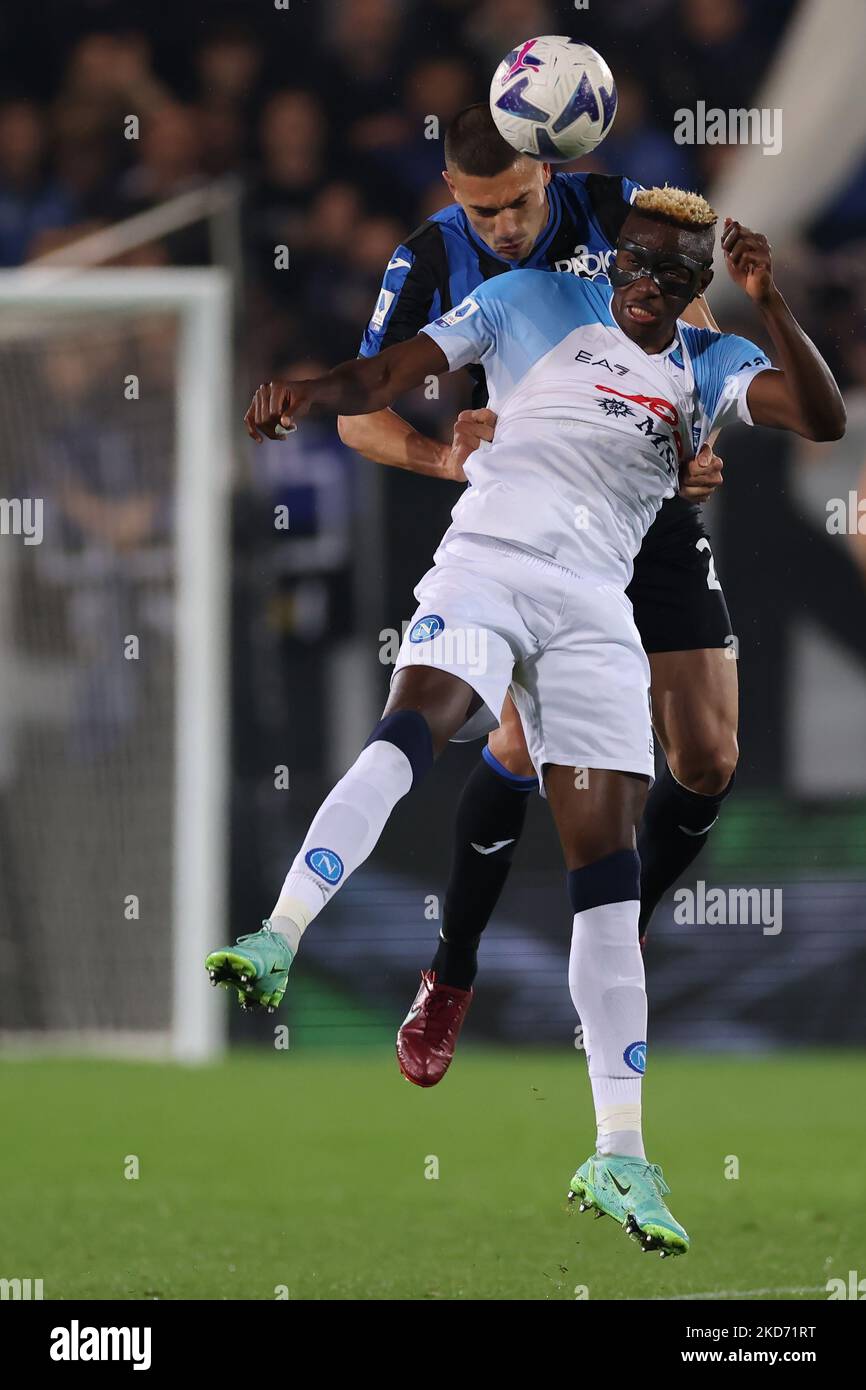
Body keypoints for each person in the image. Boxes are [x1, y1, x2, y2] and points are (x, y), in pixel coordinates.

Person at [207, 189, 845, 1255]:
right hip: (488, 568)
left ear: (696, 288)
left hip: (597, 608)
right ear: (610, 260)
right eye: (634, 265)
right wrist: (306, 393)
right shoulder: (525, 299)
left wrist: (769, 301)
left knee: (606, 869)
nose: (648, 288)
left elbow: (820, 417)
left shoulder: (706, 359)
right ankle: (279, 936)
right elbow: (386, 375)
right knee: (415, 729)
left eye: (673, 278)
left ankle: (619, 1151)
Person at [337, 106, 731, 1082]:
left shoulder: (614, 210)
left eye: (514, 203)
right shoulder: (429, 257)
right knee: (515, 746)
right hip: (538, 528)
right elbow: (355, 415)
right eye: (480, 211)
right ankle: (449, 975)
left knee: (709, 758)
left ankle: (618, 931)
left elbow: (697, 320)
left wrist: (697, 426)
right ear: (451, 196)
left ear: (547, 173)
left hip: (645, 509)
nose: (501, 226)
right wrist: (445, 458)